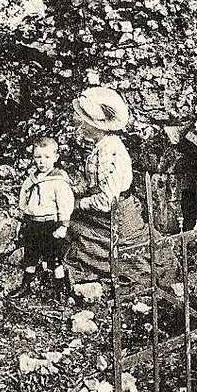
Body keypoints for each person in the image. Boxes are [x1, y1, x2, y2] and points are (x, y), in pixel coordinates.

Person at [63, 87, 145, 284]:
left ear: (96, 125)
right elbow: (94, 182)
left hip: (115, 215)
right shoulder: (102, 145)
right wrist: (73, 189)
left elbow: (107, 200)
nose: (80, 125)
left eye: (84, 121)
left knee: (71, 230)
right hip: (103, 211)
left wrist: (78, 204)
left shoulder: (111, 151)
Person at [11, 137, 75, 298]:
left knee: (53, 258)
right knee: (30, 256)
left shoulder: (58, 181)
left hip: (50, 225)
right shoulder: (31, 179)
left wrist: (63, 225)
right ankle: (25, 286)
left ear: (55, 157)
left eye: (47, 157)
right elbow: (24, 199)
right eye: (38, 157)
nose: (42, 162)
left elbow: (65, 204)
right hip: (33, 224)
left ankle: (60, 290)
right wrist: (23, 217)